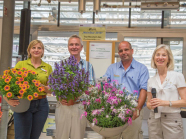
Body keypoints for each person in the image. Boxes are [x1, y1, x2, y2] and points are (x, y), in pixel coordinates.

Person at [4, 40, 52, 139]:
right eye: (33, 47)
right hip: (23, 102)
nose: (36, 50)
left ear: (43, 51)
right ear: (29, 50)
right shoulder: (21, 65)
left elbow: (52, 89)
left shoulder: (48, 67)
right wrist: (7, 100)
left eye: (39, 48)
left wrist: (43, 88)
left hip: (42, 105)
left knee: (34, 137)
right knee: (22, 137)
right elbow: (7, 84)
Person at [103, 41, 149, 139]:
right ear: (118, 53)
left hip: (133, 110)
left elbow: (143, 90)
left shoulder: (142, 69)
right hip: (113, 111)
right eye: (121, 51)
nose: (123, 52)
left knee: (132, 136)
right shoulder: (112, 68)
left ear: (132, 51)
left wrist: (138, 109)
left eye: (126, 49)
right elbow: (104, 86)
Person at [55, 34, 95, 139]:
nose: (74, 47)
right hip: (63, 105)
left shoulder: (87, 66)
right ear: (68, 47)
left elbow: (91, 87)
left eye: (77, 44)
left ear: (81, 47)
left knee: (77, 136)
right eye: (71, 44)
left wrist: (76, 98)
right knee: (61, 136)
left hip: (79, 106)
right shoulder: (61, 64)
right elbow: (54, 85)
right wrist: (59, 97)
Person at [147, 44, 186, 139]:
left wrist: (164, 103)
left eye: (164, 55)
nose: (160, 57)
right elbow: (148, 103)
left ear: (169, 59)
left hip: (172, 120)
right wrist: (150, 105)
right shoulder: (151, 80)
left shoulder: (177, 76)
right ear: (154, 58)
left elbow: (184, 101)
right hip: (154, 119)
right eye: (158, 55)